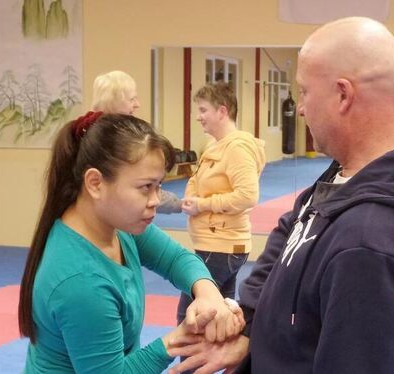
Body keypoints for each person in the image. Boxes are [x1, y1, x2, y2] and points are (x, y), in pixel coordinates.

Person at [168, 17, 394, 373]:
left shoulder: (372, 244)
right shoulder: (356, 168)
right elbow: (292, 227)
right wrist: (252, 327)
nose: (300, 108)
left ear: (342, 95)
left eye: (304, 92)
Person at [18, 113, 243, 373]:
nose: (156, 199)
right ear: (95, 183)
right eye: (145, 187)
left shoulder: (116, 224)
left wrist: (209, 295)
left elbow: (176, 259)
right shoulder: (82, 282)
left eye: (159, 186)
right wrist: (176, 341)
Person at [177, 83, 266, 329]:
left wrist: (203, 204)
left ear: (222, 111)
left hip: (220, 247)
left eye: (203, 110)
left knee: (189, 320)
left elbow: (248, 195)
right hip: (214, 245)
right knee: (217, 319)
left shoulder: (237, 148)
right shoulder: (216, 146)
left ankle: (188, 369)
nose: (198, 117)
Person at [92, 70, 182, 214]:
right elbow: (140, 189)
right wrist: (180, 204)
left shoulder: (102, 133)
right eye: (132, 99)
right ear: (114, 100)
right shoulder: (108, 142)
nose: (137, 104)